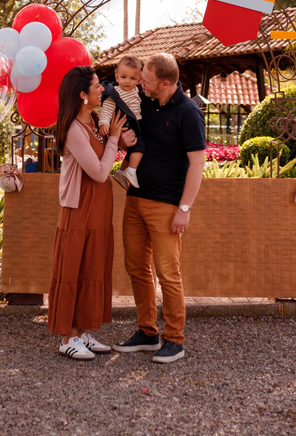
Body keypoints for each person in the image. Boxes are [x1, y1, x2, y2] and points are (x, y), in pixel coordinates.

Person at [113, 53, 206, 365]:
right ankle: (147, 332)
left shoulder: (188, 112)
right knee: (136, 268)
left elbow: (197, 164)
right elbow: (137, 140)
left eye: (147, 80)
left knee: (168, 273)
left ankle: (175, 340)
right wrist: (123, 141)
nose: (141, 83)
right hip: (135, 200)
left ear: (166, 84)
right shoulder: (145, 101)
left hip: (167, 205)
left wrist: (185, 208)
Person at [47, 66, 126, 361]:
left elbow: (105, 156)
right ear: (82, 95)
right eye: (96, 86)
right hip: (80, 208)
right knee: (75, 270)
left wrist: (119, 138)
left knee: (93, 267)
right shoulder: (73, 130)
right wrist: (115, 140)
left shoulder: (94, 120)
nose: (102, 90)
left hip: (98, 207)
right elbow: (100, 171)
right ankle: (68, 338)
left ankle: (82, 332)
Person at [99, 54, 144, 189]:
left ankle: (121, 172)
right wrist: (104, 123)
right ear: (117, 77)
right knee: (140, 146)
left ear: (138, 80)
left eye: (132, 78)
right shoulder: (115, 94)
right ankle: (131, 171)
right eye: (123, 77)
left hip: (136, 124)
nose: (127, 81)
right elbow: (107, 109)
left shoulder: (137, 90)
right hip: (126, 123)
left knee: (134, 149)